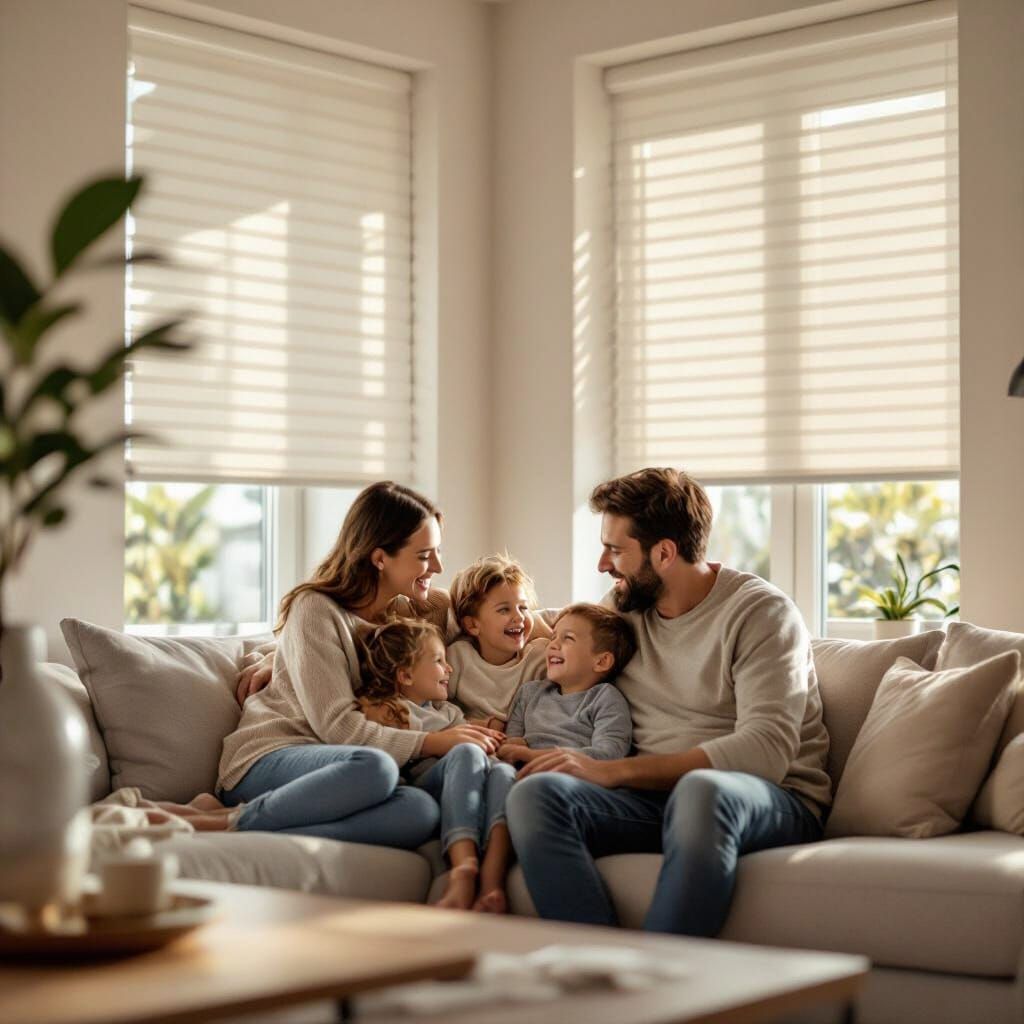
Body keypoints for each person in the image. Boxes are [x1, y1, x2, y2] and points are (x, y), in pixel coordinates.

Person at [506, 467, 831, 936]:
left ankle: (657, 975)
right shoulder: (623, 608)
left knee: (701, 791)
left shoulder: (761, 614)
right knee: (535, 794)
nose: (602, 564)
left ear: (663, 553)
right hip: (650, 802)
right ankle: (599, 966)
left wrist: (614, 770)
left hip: (764, 799)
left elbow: (766, 751)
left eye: (615, 550)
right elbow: (552, 643)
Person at [183, 481, 502, 847]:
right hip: (274, 756)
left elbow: (511, 618)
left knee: (420, 811)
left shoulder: (423, 609)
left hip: (347, 771)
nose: (439, 566)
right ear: (380, 558)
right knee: (376, 767)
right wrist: (432, 741)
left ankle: (257, 823)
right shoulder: (315, 609)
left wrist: (275, 654)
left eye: (438, 552)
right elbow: (338, 727)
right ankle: (230, 820)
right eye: (424, 555)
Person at [355, 616, 518, 913]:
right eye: (439, 661)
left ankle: (492, 881)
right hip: (428, 787)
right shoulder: (388, 710)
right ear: (405, 675)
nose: (449, 668)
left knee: (503, 772)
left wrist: (499, 738)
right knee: (466, 752)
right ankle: (463, 867)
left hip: (469, 785)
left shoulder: (449, 712)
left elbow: (478, 741)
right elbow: (378, 750)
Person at [496, 603, 635, 768]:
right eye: (553, 637)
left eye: (568, 638)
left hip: (571, 776)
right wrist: (510, 745)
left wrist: (532, 755)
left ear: (601, 661)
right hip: (518, 773)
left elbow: (609, 754)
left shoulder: (605, 699)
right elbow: (510, 745)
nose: (552, 644)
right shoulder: (529, 693)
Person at [446, 553, 551, 730]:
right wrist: (482, 725)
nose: (519, 617)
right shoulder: (458, 657)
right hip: (474, 737)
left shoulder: (539, 655)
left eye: (523, 607)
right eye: (504, 610)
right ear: (472, 625)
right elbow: (434, 706)